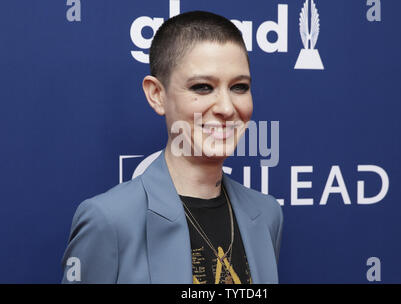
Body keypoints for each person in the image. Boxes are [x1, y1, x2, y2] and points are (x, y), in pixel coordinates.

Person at [61, 10, 283, 284]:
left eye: (239, 87)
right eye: (202, 87)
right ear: (157, 95)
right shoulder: (109, 220)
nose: (227, 108)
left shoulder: (267, 213)